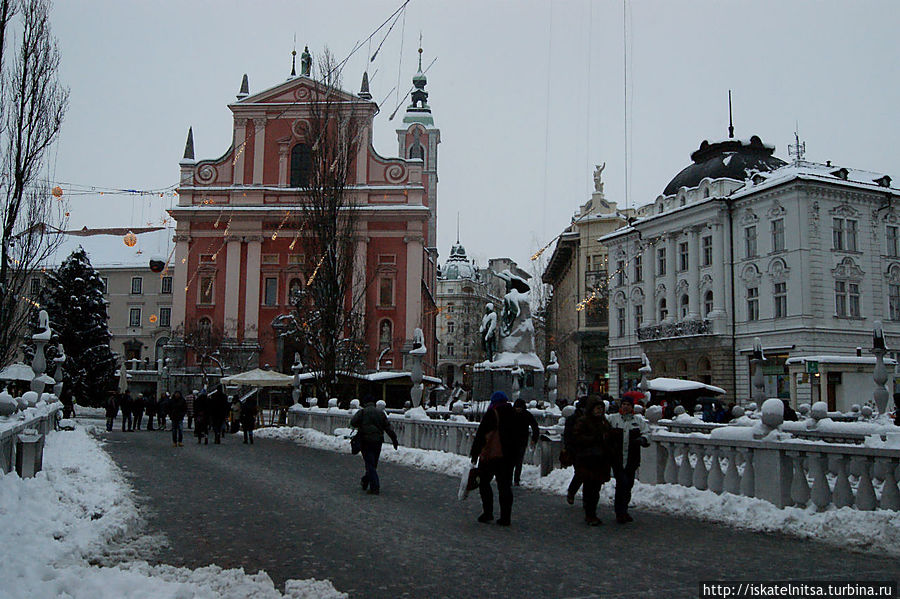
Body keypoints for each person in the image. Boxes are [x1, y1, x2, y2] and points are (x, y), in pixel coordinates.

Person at [469, 391, 517, 525]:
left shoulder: (492, 413)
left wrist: (474, 454)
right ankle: (505, 517)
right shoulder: (513, 413)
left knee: (484, 483)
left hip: (491, 456)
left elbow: (481, 435)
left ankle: (488, 512)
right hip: (508, 457)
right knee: (505, 486)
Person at [607, 397, 651, 524]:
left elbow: (647, 433)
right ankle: (619, 511)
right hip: (617, 458)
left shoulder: (638, 421)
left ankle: (624, 509)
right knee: (622, 483)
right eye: (623, 404)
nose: (625, 407)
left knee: (629, 484)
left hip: (632, 458)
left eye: (628, 405)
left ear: (632, 407)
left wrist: (643, 440)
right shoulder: (613, 419)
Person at [571, 396, 611, 525]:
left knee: (596, 488)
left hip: (600, 460)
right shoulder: (584, 421)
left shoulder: (604, 422)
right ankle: (590, 514)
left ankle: (591, 512)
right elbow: (576, 437)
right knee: (589, 488)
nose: (599, 411)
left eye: (601, 408)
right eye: (597, 408)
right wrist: (594, 438)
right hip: (587, 459)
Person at [350, 394, 399, 495]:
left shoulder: (362, 412)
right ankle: (366, 480)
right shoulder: (380, 413)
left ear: (365, 403)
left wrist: (361, 425)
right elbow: (388, 428)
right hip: (378, 441)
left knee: (369, 464)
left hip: (365, 440)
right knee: (373, 464)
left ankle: (374, 487)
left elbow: (353, 422)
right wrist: (394, 439)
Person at [512, 399, 540, 486]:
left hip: (521, 441)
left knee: (518, 461)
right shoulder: (521, 414)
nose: (518, 409)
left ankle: (516, 479)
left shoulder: (526, 415)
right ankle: (511, 478)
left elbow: (535, 427)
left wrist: (534, 439)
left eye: (519, 407)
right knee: (512, 461)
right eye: (517, 407)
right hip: (512, 441)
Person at [563, 398, 585, 504]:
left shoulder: (592, 419)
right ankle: (572, 491)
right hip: (576, 450)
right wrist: (569, 448)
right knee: (580, 473)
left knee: (588, 474)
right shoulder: (572, 419)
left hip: (589, 450)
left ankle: (587, 498)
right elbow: (568, 435)